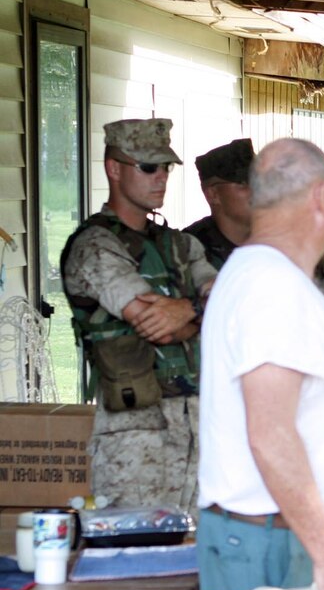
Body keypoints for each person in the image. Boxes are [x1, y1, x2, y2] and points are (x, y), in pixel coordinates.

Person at [196, 138, 324, 590]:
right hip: (276, 545)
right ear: (321, 198)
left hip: (290, 539)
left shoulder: (268, 279)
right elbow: (271, 432)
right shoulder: (270, 288)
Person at [61, 118, 215, 516]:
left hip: (201, 428)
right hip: (136, 437)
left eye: (166, 167)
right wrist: (202, 311)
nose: (161, 177)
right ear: (114, 168)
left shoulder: (182, 244)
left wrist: (189, 310)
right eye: (149, 167)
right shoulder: (94, 247)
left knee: (201, 564)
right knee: (135, 556)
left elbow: (232, 305)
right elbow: (155, 325)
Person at [183, 138, 324, 304]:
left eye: (260, 182)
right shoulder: (186, 250)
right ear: (213, 195)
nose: (258, 190)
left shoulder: (296, 239)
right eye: (244, 184)